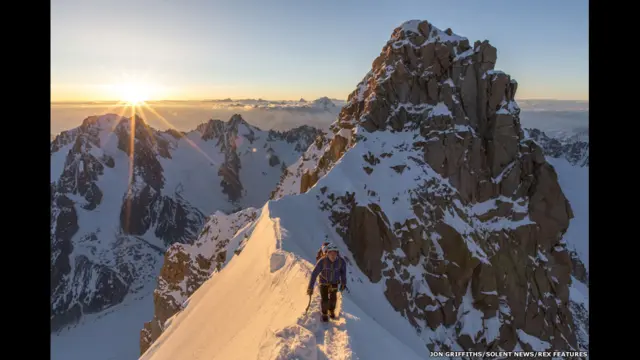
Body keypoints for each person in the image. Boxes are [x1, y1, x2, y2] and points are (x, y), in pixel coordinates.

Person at [307, 243, 347, 322]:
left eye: (334, 253)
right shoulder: (322, 261)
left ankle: (331, 310)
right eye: (331, 253)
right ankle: (324, 313)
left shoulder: (341, 262)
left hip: (334, 282)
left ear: (337, 253)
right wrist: (310, 287)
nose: (332, 255)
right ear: (327, 253)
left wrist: (343, 283)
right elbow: (314, 273)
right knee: (325, 299)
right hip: (323, 281)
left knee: (333, 299)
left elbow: (343, 273)